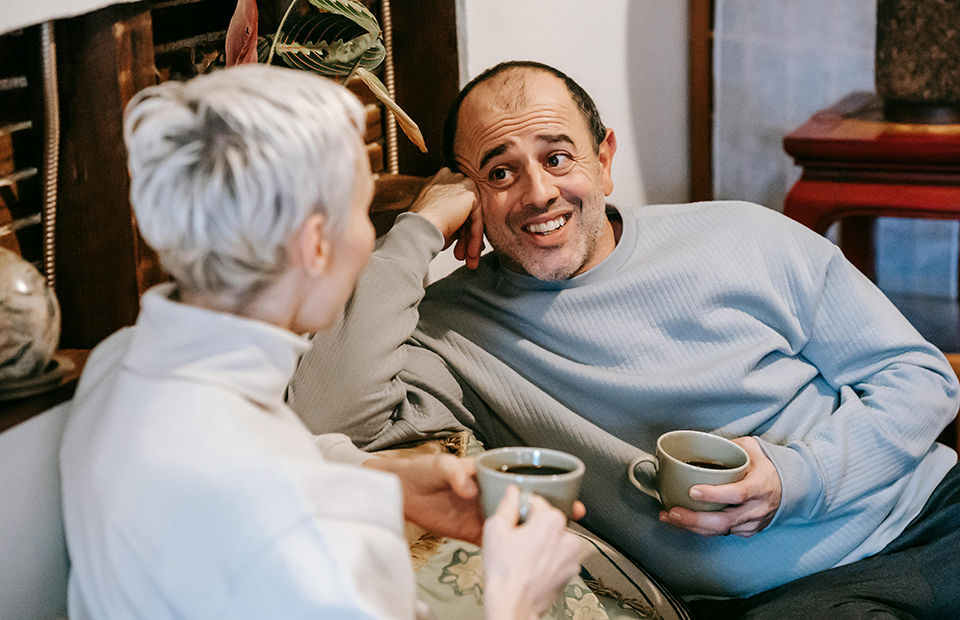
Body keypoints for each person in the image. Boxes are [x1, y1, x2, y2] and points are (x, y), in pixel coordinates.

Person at [288, 60, 960, 618]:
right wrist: (418, 229)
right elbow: (326, 415)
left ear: (603, 159)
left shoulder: (744, 235)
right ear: (471, 196)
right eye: (499, 173)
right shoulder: (453, 329)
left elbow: (919, 377)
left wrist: (795, 479)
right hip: (794, 602)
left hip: (935, 515)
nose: (538, 193)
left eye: (558, 157)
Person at [58, 64, 583, 620]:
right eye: (361, 213)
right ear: (314, 246)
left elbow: (250, 457)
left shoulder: (116, 368)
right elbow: (256, 498)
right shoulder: (311, 552)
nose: (368, 239)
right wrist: (516, 598)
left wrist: (378, 480)